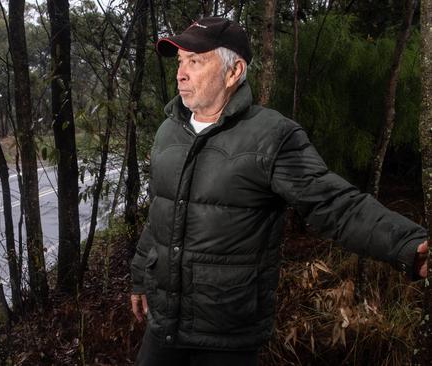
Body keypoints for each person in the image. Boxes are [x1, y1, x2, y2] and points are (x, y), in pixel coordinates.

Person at [129, 16, 429, 366]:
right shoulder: (168, 132)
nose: (181, 73)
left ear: (233, 71)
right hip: (163, 325)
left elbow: (334, 205)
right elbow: (161, 213)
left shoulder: (272, 136)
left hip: (227, 333)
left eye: (195, 61)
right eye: (180, 62)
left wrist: (408, 244)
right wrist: (139, 277)